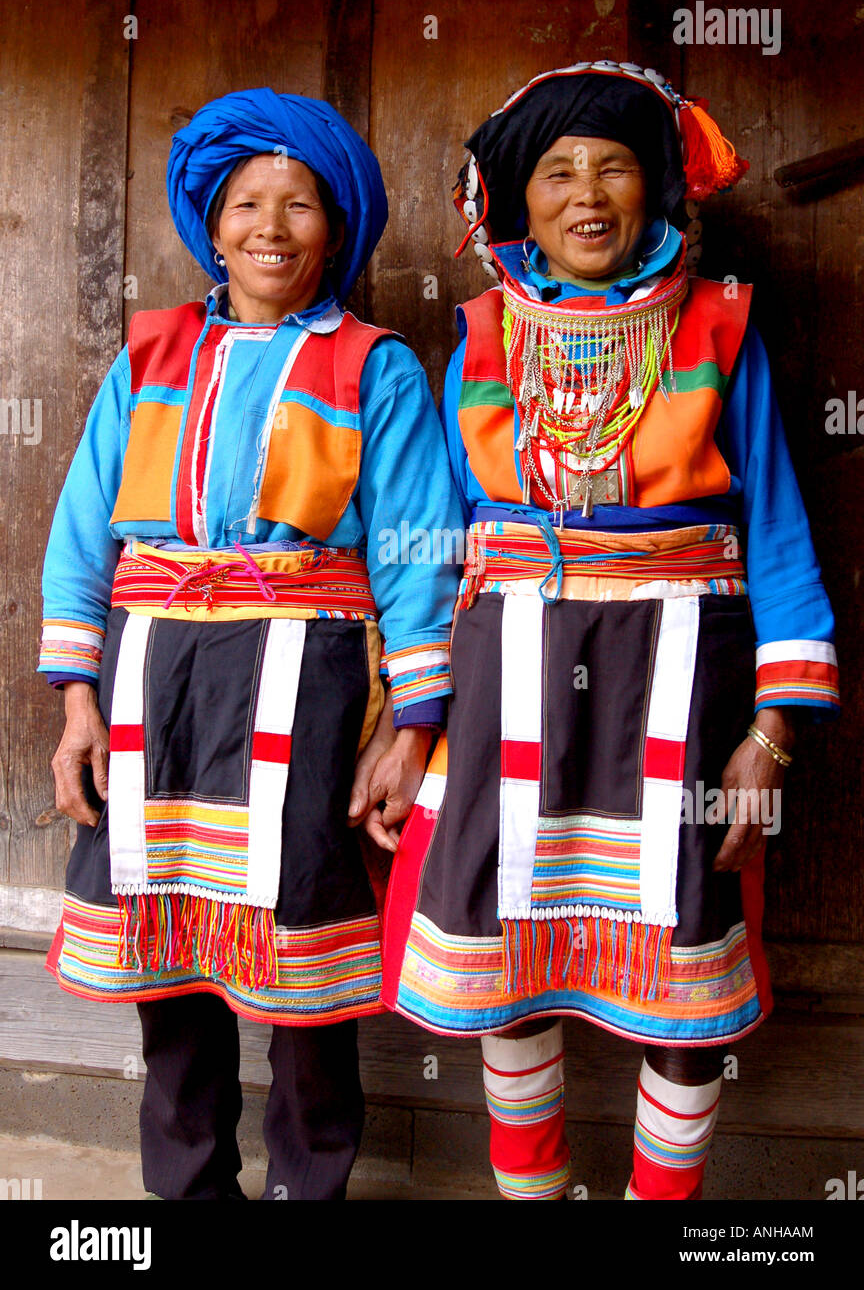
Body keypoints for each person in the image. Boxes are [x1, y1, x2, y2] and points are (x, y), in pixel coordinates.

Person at [381, 61, 839, 1201]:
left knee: (683, 947)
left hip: (679, 689)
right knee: (501, 952)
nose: (587, 192)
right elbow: (435, 544)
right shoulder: (482, 336)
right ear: (518, 203)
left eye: (615, 165)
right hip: (508, 683)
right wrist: (416, 718)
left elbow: (776, 535)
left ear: (656, 192)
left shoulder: (720, 328)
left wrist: (772, 734)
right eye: (556, 171)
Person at [39, 87, 461, 1200]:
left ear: (340, 227)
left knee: (303, 948)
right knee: (168, 949)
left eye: (301, 204)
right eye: (245, 203)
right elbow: (84, 527)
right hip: (152, 679)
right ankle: (187, 1188)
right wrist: (77, 700)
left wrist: (414, 725)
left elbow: (421, 557)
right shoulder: (151, 353)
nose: (271, 226)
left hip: (306, 680)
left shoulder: (380, 367)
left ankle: (307, 1185)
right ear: (210, 224)